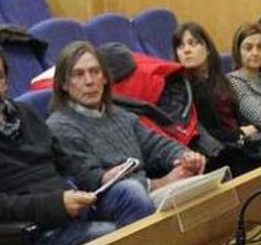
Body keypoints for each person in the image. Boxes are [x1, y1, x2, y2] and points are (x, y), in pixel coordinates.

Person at [0, 41, 155, 245]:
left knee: (131, 192)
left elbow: (67, 164)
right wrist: (56, 204)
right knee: (111, 236)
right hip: (29, 236)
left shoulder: (22, 112)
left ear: (6, 81)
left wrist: (100, 178)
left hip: (69, 209)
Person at [46, 41, 205, 195]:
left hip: (145, 192)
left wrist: (185, 158)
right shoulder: (59, 126)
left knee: (196, 180)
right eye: (78, 74)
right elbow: (91, 181)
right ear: (64, 84)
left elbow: (157, 145)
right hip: (108, 204)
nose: (89, 81)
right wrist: (160, 184)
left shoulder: (120, 114)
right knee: (131, 191)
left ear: (105, 78)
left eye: (95, 72)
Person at [174, 22, 261, 175]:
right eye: (180, 46)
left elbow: (243, 114)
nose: (186, 50)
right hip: (220, 153)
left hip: (242, 143)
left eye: (193, 44)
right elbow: (201, 135)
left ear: (207, 49)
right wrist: (239, 133)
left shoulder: (220, 79)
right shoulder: (183, 90)